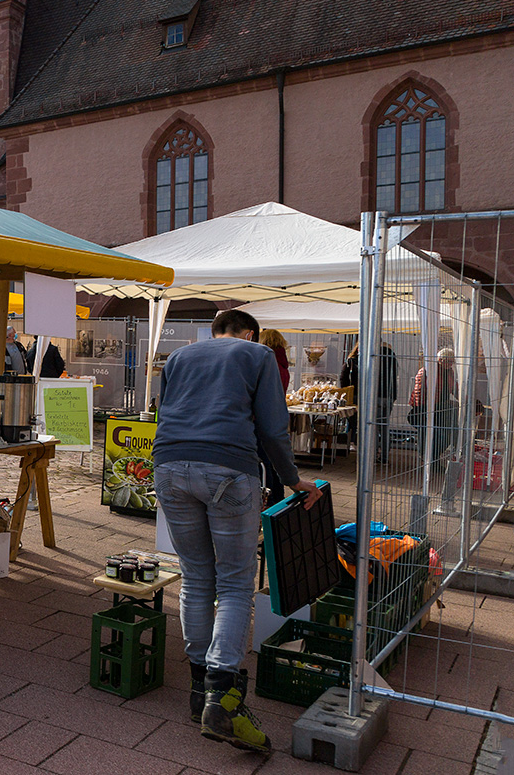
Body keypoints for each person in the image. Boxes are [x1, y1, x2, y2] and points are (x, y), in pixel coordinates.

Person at [153, 310, 322, 752]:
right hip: (228, 469)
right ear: (249, 333)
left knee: (196, 577)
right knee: (233, 583)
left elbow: (163, 412)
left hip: (168, 466)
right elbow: (272, 427)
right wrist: (292, 479)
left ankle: (198, 689)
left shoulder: (180, 357)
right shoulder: (257, 354)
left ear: (214, 332)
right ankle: (220, 695)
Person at [341, 341, 398, 463]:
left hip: (375, 396)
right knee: (384, 426)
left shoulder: (372, 358)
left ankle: (372, 455)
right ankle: (384, 456)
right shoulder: (392, 358)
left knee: (373, 427)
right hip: (389, 396)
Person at [408, 347, 457, 471]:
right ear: (440, 360)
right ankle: (429, 461)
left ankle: (433, 458)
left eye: (452, 361)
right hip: (426, 408)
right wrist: (423, 409)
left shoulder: (450, 372)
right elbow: (419, 391)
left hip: (441, 408)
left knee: (445, 435)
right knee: (429, 435)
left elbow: (454, 388)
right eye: (448, 361)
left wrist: (464, 398)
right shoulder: (427, 371)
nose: (450, 364)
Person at [256, 329, 291, 503]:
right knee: (274, 461)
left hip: (262, 418)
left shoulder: (268, 364)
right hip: (276, 416)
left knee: (264, 462)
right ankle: (278, 499)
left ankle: (268, 500)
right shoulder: (283, 364)